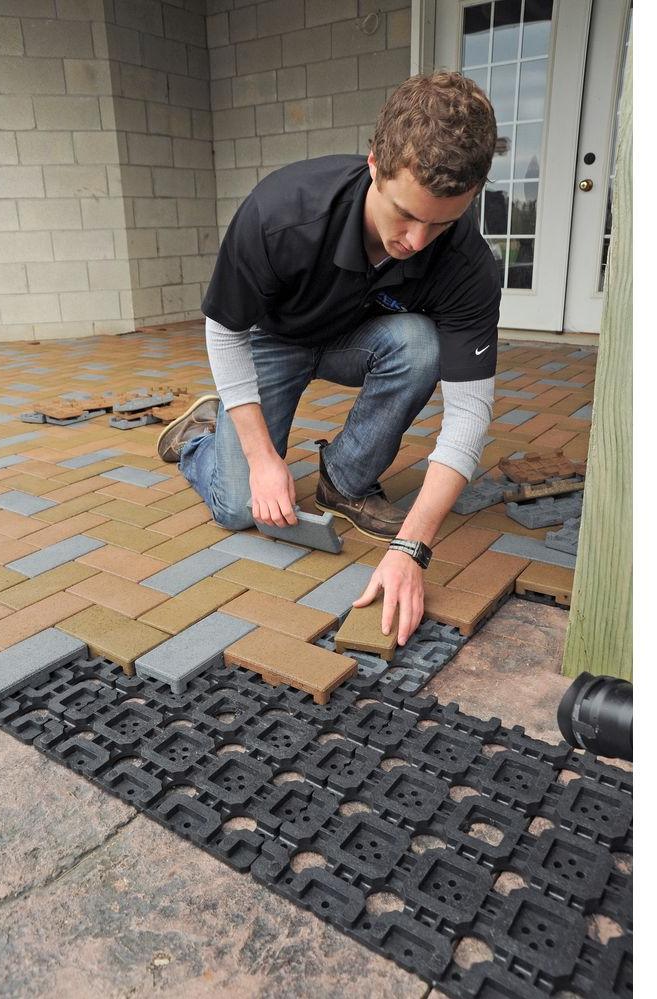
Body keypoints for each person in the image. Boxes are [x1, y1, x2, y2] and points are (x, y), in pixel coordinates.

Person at [157, 71, 500, 649]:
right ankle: (199, 439)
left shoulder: (467, 263)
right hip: (271, 340)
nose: (416, 241)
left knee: (420, 343)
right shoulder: (280, 212)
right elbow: (224, 330)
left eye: (440, 223)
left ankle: (344, 481)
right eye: (404, 214)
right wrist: (263, 458)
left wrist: (412, 547)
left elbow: (469, 415)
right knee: (239, 507)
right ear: (375, 166)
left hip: (354, 337)